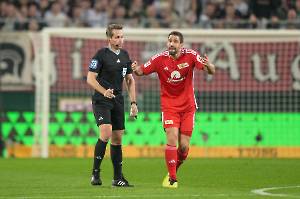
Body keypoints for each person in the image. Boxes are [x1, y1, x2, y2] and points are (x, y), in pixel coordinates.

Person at [132, 31, 215, 188]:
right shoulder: (159, 59)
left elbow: (210, 70)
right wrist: (135, 68)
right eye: (169, 40)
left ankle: (173, 169)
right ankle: (172, 178)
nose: (171, 43)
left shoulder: (190, 55)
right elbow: (141, 71)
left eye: (175, 41)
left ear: (181, 45)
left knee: (184, 147)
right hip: (169, 106)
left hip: (188, 107)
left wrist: (209, 65)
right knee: (171, 137)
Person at [87, 24, 138, 187]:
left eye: (122, 36)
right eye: (117, 36)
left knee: (117, 138)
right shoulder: (100, 55)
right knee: (106, 131)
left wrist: (133, 103)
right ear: (109, 38)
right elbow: (90, 79)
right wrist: (104, 92)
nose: (120, 39)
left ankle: (118, 178)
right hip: (101, 100)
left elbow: (130, 80)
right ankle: (95, 173)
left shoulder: (125, 55)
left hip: (117, 100)